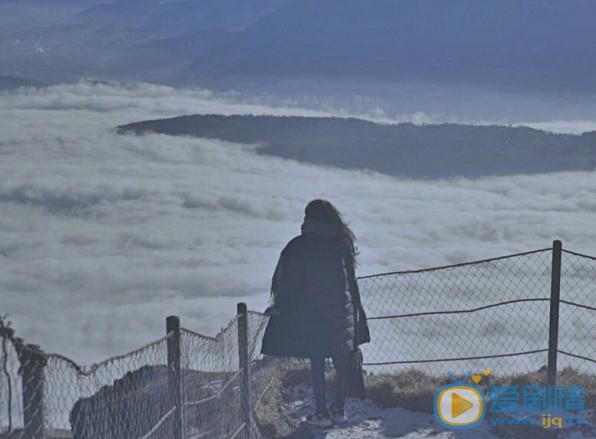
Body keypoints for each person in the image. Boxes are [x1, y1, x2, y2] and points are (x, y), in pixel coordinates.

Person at [260, 199, 370, 428]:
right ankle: (339, 410)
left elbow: (288, 284)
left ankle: (321, 414)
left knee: (318, 363)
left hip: (313, 316)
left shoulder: (299, 246)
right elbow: (352, 283)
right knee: (341, 361)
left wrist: (281, 307)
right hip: (342, 313)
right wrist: (357, 311)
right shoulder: (341, 244)